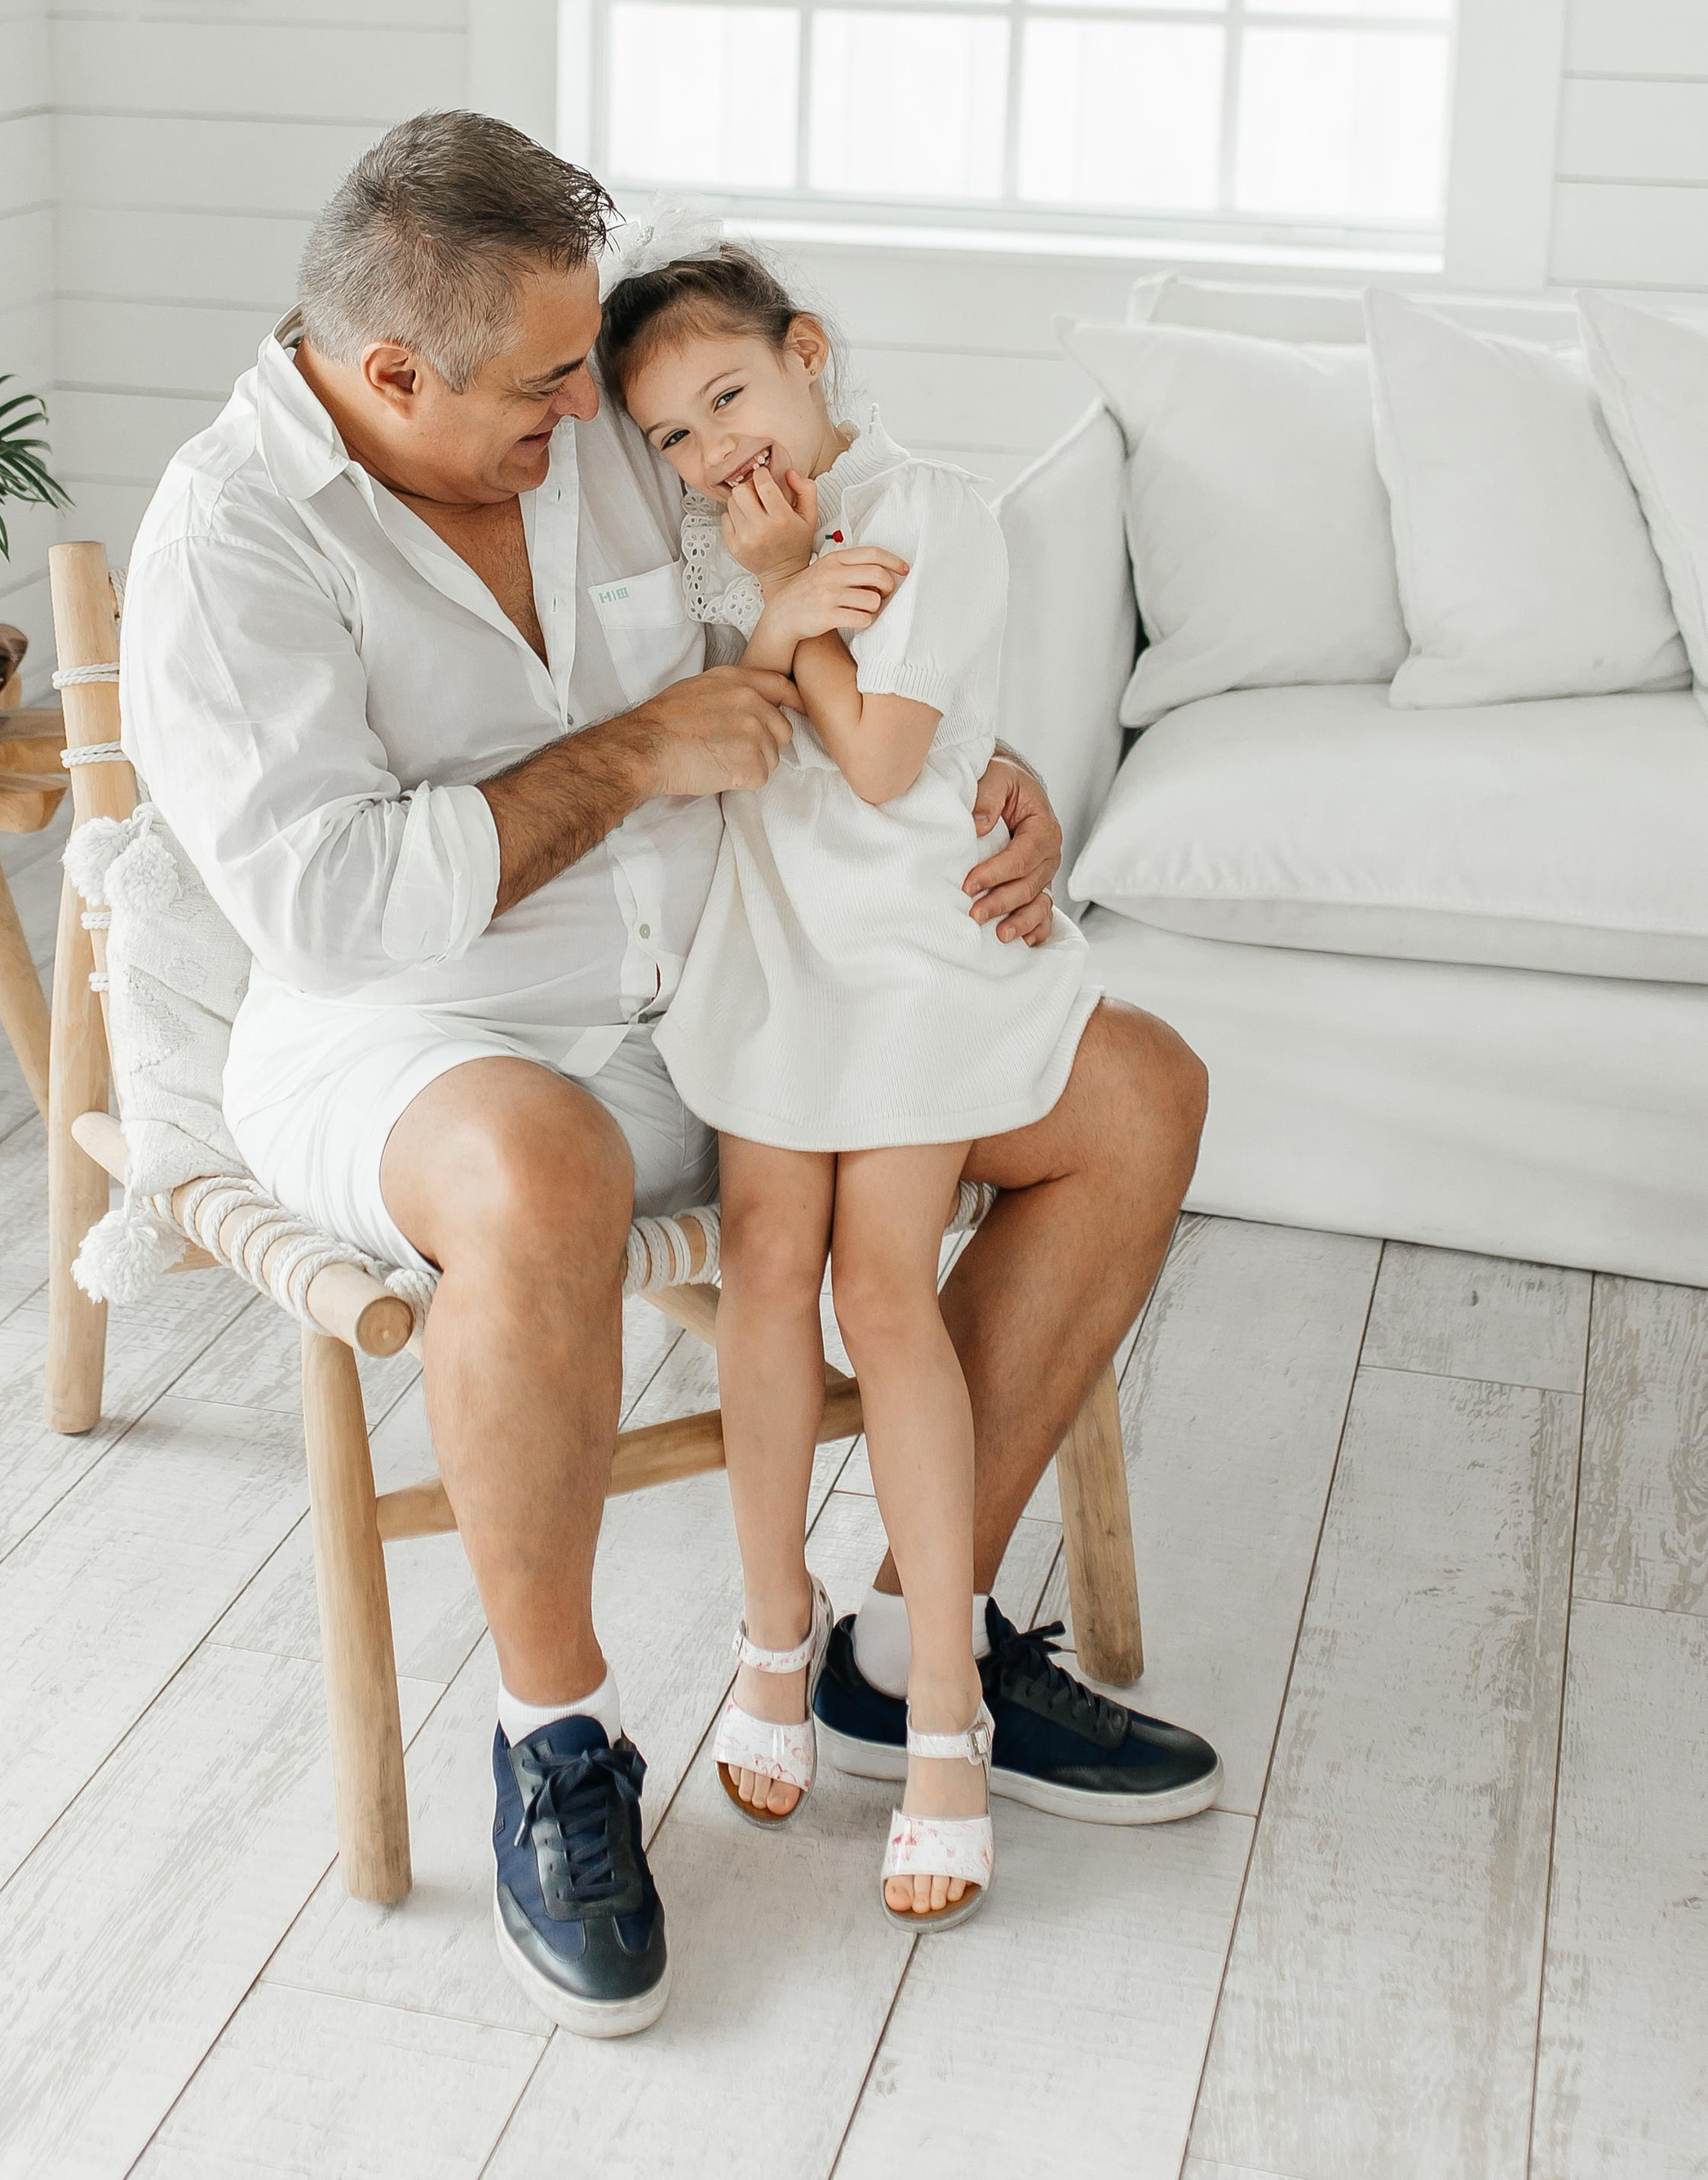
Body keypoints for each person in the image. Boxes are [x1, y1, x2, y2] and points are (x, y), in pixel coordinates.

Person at [121, 113, 1215, 2035]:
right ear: (392, 374)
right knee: (538, 1176)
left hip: (731, 995)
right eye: (551, 385)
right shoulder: (228, 542)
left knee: (1134, 1091)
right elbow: (333, 906)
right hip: (423, 1042)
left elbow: (800, 636)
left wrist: (989, 769)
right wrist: (625, 758)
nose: (603, 418)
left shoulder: (587, 426)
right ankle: (561, 1747)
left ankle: (901, 1640)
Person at [601, 237, 1104, 1927]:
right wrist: (765, 603)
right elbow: (720, 733)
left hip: (900, 949)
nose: (715, 451)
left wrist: (796, 600)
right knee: (762, 1267)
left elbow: (885, 759)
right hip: (771, 937)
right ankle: (768, 1636)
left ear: (804, 353)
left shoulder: (928, 509)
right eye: (672, 434)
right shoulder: (718, 550)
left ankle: (942, 1721)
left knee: (882, 1288)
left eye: (730, 396)